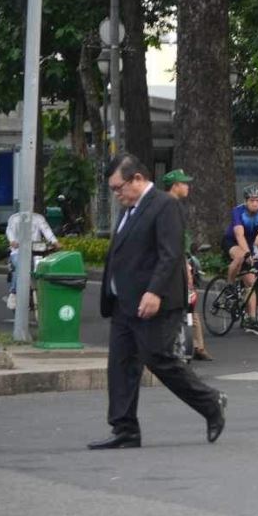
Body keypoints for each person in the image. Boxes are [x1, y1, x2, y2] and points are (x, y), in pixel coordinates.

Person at [88, 153, 226, 449]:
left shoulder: (165, 205)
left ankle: (210, 402)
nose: (116, 194)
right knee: (121, 365)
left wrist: (154, 291)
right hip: (123, 302)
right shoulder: (130, 208)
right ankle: (124, 428)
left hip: (155, 301)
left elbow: (170, 253)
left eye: (118, 187)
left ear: (137, 178)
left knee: (158, 358)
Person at [160, 169, 212, 363]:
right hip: (175, 266)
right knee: (179, 306)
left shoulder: (173, 205)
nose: (187, 186)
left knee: (190, 306)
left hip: (183, 262)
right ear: (175, 186)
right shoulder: (168, 206)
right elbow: (175, 245)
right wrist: (185, 269)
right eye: (184, 183)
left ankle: (196, 346)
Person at [4, 204, 58, 311]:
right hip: (18, 252)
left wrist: (55, 242)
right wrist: (12, 241)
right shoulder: (14, 218)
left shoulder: (38, 218)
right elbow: (9, 231)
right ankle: (13, 293)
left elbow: (46, 230)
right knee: (20, 266)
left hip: (35, 252)